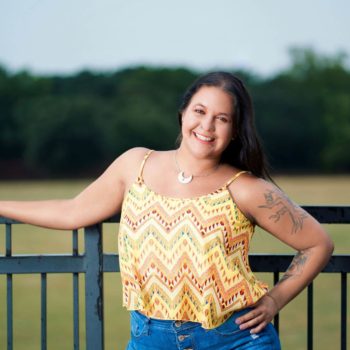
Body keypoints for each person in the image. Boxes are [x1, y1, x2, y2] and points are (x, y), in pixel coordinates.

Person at [0, 72, 333, 349]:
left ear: (234, 131)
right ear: (183, 113)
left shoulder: (245, 188)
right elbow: (73, 211)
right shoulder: (136, 165)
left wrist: (275, 300)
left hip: (234, 339)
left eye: (222, 119)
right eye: (199, 111)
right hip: (149, 338)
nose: (207, 126)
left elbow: (318, 243)